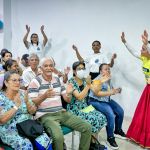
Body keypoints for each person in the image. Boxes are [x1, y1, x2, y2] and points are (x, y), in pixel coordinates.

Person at [28, 57, 92, 150]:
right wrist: (44, 96)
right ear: (41, 68)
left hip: (61, 112)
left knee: (87, 127)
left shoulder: (57, 79)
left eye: (51, 66)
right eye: (46, 66)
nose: (49, 68)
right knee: (58, 137)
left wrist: (69, 93)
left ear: (53, 67)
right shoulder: (35, 81)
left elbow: (67, 100)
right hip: (46, 115)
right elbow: (32, 103)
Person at [0, 70, 52, 150]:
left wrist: (27, 102)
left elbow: (33, 111)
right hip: (11, 130)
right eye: (14, 80)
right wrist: (16, 106)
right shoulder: (1, 98)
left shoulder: (23, 93)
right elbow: (2, 120)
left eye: (19, 80)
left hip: (28, 127)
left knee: (44, 139)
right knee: (27, 146)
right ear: (6, 83)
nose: (18, 83)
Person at [121, 31, 150, 148]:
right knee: (144, 114)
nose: (141, 49)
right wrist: (125, 42)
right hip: (148, 89)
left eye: (143, 48)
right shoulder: (144, 59)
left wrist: (147, 42)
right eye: (142, 48)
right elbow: (134, 52)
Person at [88, 63, 126, 150]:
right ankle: (110, 138)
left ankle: (117, 130)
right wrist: (111, 92)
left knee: (120, 111)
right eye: (106, 69)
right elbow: (97, 93)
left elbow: (109, 91)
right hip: (95, 101)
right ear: (101, 71)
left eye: (109, 69)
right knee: (111, 115)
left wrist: (116, 90)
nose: (108, 70)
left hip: (105, 100)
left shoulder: (108, 79)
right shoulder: (97, 80)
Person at [67, 61, 107, 133]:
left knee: (101, 117)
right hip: (75, 109)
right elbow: (79, 97)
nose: (81, 71)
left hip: (85, 107)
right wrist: (88, 85)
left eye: (83, 69)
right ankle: (90, 142)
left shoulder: (85, 80)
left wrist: (101, 81)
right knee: (92, 119)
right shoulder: (71, 82)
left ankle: (93, 142)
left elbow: (95, 91)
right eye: (79, 69)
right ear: (74, 71)